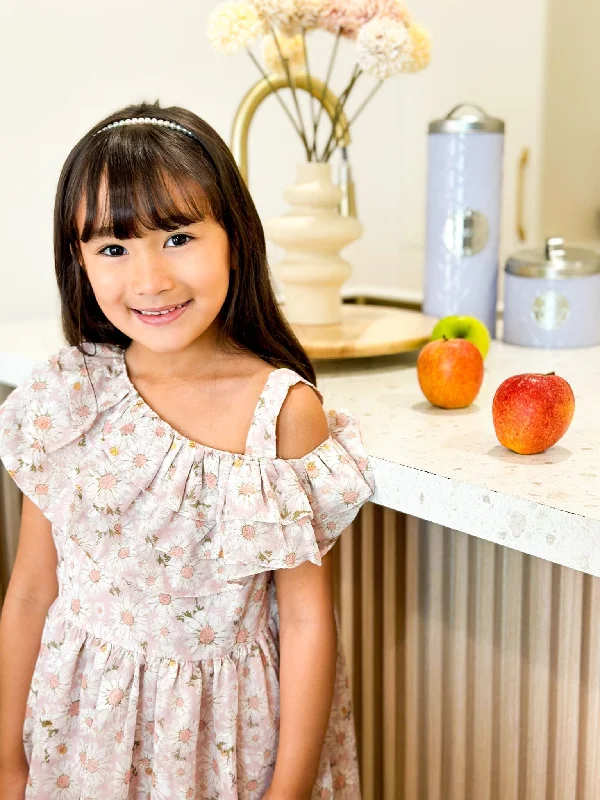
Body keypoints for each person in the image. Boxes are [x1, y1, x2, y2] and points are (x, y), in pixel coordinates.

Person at [0, 101, 375, 799]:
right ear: (78, 262)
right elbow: (29, 590)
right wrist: (6, 761)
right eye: (113, 249)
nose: (150, 280)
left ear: (235, 234)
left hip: (227, 746)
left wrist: (287, 791)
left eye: (177, 237)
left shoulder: (283, 414)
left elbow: (305, 619)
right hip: (81, 732)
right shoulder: (68, 397)